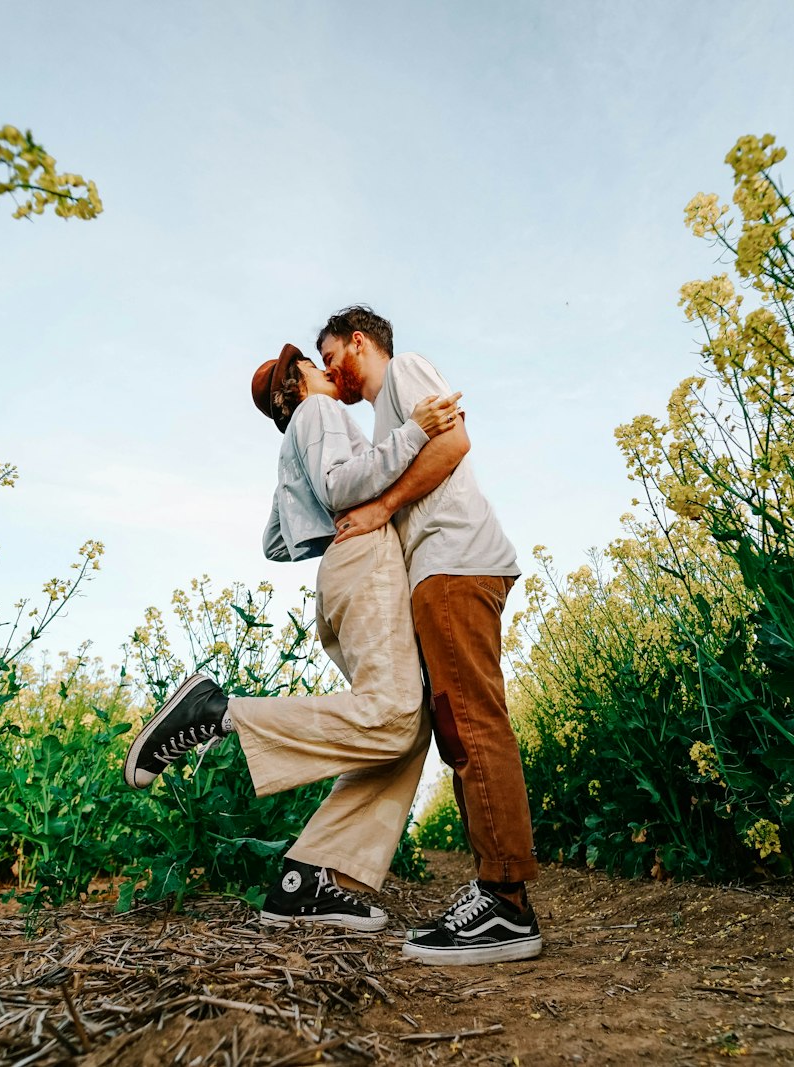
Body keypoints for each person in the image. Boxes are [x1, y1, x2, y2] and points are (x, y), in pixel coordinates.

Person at [123, 342, 462, 932]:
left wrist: (325, 530)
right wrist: (410, 434)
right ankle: (215, 714)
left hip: (341, 571)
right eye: (313, 365)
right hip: (366, 561)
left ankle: (311, 875)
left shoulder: (295, 438)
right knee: (391, 715)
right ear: (296, 387)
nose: (326, 369)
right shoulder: (321, 414)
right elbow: (340, 487)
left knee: (402, 734)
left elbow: (276, 542)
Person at [319, 305, 542, 965]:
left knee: (471, 722)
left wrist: (384, 505)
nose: (332, 375)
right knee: (456, 726)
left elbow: (454, 444)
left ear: (359, 342)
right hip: (436, 571)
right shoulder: (387, 420)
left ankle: (506, 901)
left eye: (332, 357)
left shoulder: (404, 374)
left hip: (455, 561)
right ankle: (497, 887)